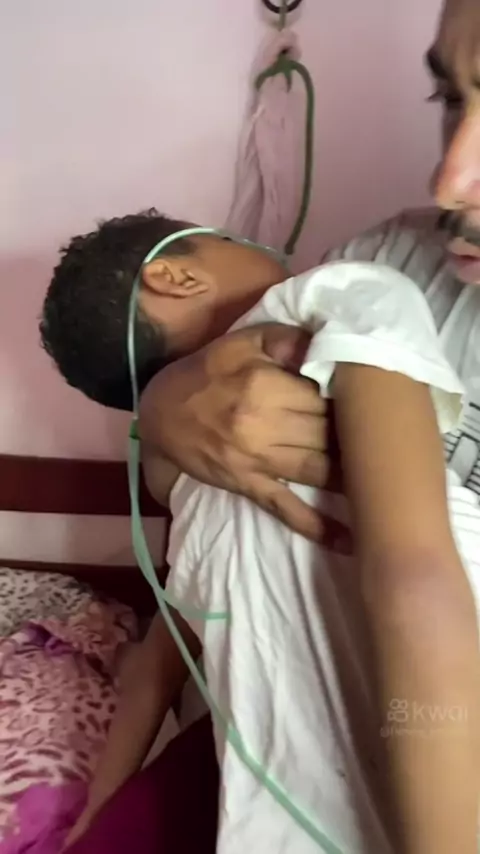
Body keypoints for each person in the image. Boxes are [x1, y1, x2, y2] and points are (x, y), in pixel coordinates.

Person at [41, 211, 479, 852]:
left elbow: (152, 667)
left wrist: (95, 811)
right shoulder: (343, 290)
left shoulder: (183, 488)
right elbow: (412, 579)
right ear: (175, 277)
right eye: (227, 238)